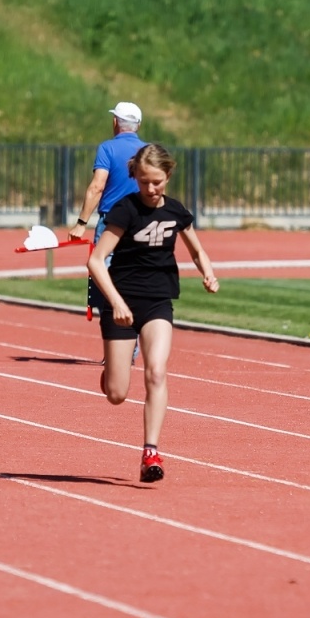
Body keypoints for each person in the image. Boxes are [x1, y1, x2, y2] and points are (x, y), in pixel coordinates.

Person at [86, 144, 219, 484]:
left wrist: (208, 272)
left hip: (158, 302)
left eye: (156, 182)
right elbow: (96, 261)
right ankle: (112, 367)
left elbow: (196, 248)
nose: (150, 189)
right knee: (116, 394)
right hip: (122, 303)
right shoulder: (124, 210)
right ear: (136, 178)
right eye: (144, 182)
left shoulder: (176, 211)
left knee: (156, 372)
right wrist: (115, 302)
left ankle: (151, 451)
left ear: (168, 177)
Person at [68, 102, 148, 322]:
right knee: (137, 278)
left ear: (115, 122)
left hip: (111, 222)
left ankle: (114, 347)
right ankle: (131, 349)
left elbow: (97, 186)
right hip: (142, 221)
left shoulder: (107, 148)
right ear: (138, 125)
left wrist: (81, 223)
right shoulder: (148, 152)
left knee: (105, 277)